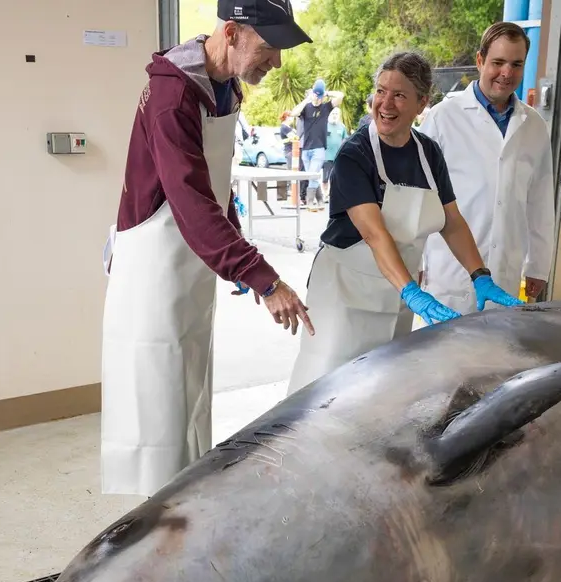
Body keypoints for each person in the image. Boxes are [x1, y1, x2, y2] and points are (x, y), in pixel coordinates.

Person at [101, 1, 315, 497]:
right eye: (269, 49)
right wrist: (262, 277)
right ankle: (152, 534)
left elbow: (214, 186)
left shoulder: (224, 87)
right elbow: (191, 202)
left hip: (187, 266)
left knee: (190, 399)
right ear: (233, 32)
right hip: (154, 272)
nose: (276, 63)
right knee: (157, 414)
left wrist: (237, 249)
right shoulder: (173, 94)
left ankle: (181, 514)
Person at [286, 51, 522, 395]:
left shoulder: (428, 152)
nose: (386, 104)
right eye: (381, 91)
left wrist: (480, 276)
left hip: (396, 295)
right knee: (325, 390)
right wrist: (413, 293)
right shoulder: (355, 154)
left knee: (380, 392)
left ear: (422, 103)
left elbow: (451, 221)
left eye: (399, 95)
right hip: (346, 294)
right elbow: (373, 233)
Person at [418, 21, 556, 312]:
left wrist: (539, 265)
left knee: (499, 353)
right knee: (445, 354)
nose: (507, 73)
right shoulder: (444, 118)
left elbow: (541, 201)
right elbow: (420, 195)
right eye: (498, 62)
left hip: (506, 269)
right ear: (480, 61)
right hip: (449, 271)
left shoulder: (534, 126)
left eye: (516, 64)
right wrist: (415, 260)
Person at [292, 79, 334, 207]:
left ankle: (310, 201)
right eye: (317, 96)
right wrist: (307, 99)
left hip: (319, 147)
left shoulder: (326, 107)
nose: (318, 99)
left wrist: (326, 93)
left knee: (312, 174)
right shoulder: (307, 108)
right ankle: (320, 200)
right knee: (313, 176)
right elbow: (294, 113)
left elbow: (340, 96)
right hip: (306, 148)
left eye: (319, 96)